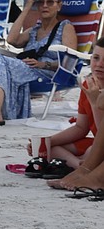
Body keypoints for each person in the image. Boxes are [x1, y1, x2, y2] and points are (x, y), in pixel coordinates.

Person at [25, 38, 103, 175]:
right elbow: (81, 127)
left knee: (92, 152)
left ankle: (82, 167)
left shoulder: (93, 90)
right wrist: (47, 141)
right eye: (96, 58)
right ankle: (79, 165)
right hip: (97, 144)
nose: (100, 64)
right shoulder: (88, 86)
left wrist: (95, 102)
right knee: (52, 148)